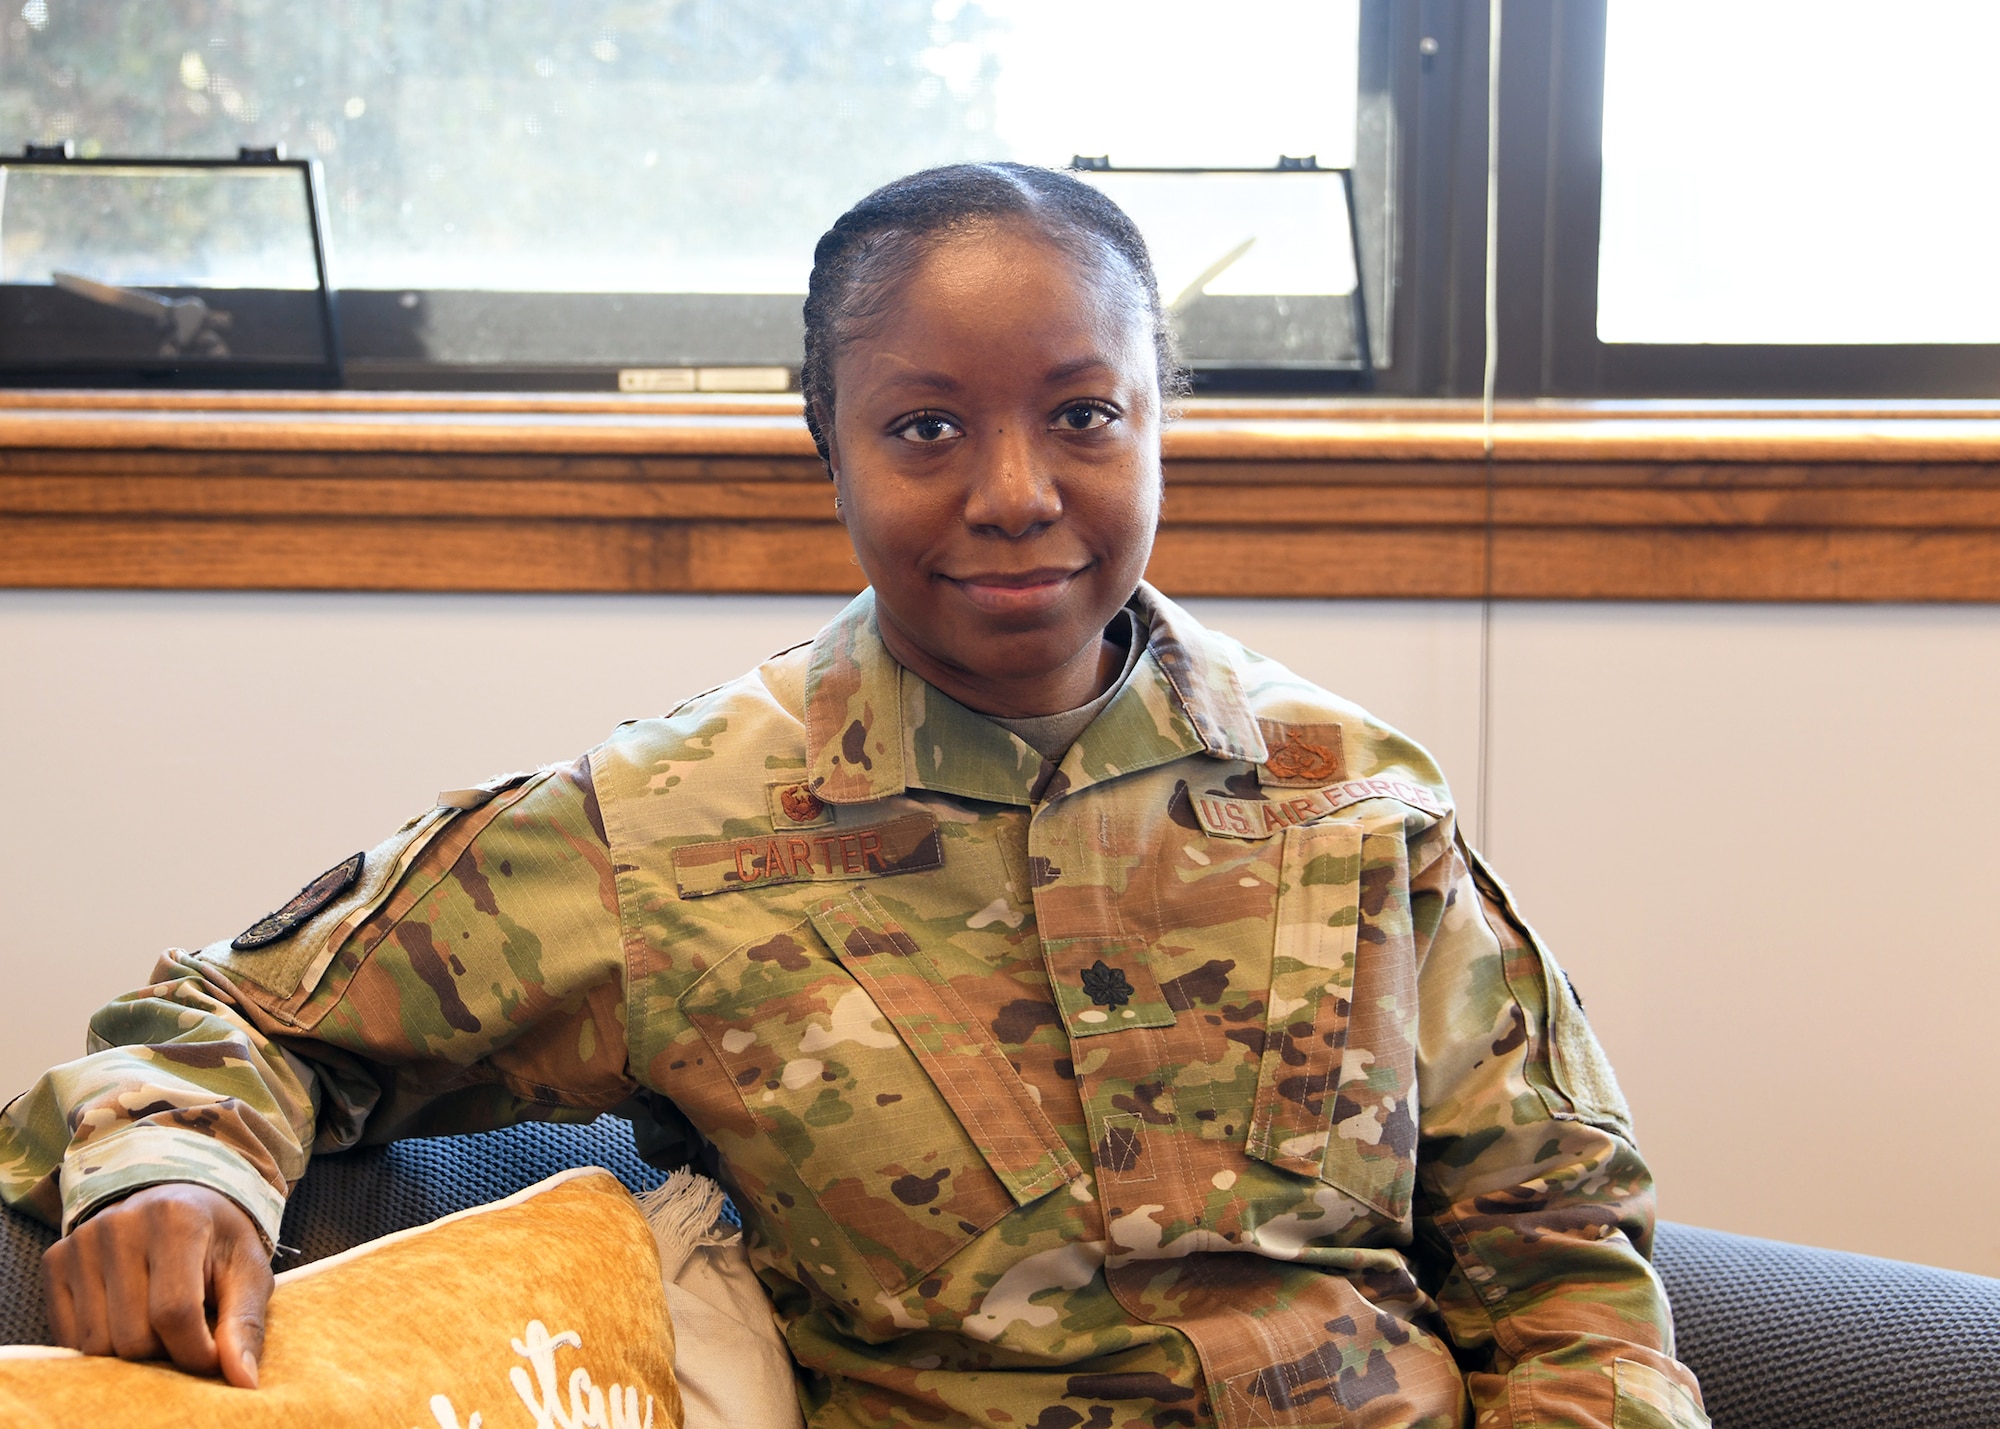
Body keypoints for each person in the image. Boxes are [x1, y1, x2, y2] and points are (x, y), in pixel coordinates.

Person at [0, 163, 1707, 1429]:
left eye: (1085, 414)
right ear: (824, 444)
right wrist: (178, 1173)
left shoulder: (1355, 801)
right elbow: (225, 1010)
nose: (1019, 492)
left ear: (1165, 423)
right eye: (927, 428)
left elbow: (1562, 1246)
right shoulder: (667, 827)